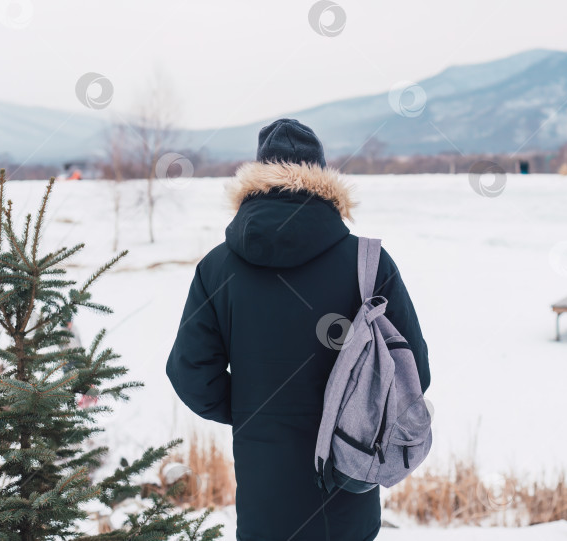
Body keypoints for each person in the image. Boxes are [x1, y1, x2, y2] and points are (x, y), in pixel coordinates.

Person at [166, 119, 430, 541]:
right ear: (324, 179)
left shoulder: (217, 268)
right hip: (347, 483)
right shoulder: (368, 263)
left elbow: (190, 374)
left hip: (263, 500)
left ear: (256, 177)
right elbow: (413, 371)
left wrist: (252, 407)